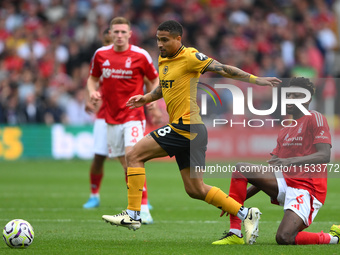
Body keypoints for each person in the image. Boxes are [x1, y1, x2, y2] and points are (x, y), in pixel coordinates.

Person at [100, 20, 281, 243]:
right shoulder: (164, 59)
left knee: (133, 155)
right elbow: (164, 86)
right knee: (195, 189)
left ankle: (133, 214)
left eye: (165, 40)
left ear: (179, 39)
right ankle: (246, 214)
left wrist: (256, 80)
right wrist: (146, 98)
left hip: (185, 127)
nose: (160, 44)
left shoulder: (191, 56)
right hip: (191, 131)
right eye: (158, 39)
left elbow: (223, 68)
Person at [214, 77, 339, 245]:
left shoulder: (315, 118)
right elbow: (267, 173)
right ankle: (235, 233)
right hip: (286, 183)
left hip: (308, 189)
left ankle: (333, 238)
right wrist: (232, 204)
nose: (290, 99)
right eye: (288, 95)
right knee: (241, 169)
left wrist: (290, 162)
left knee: (284, 238)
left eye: (296, 96)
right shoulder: (286, 129)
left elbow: (324, 155)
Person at [87, 19, 160, 224]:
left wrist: (151, 101)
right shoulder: (101, 55)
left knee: (133, 155)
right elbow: (92, 78)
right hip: (111, 117)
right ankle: (136, 208)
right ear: (110, 33)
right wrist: (92, 92)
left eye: (123, 32)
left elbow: (154, 79)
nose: (119, 35)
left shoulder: (140, 55)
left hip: (134, 115)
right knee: (126, 164)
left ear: (130, 34)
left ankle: (143, 208)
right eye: (116, 32)